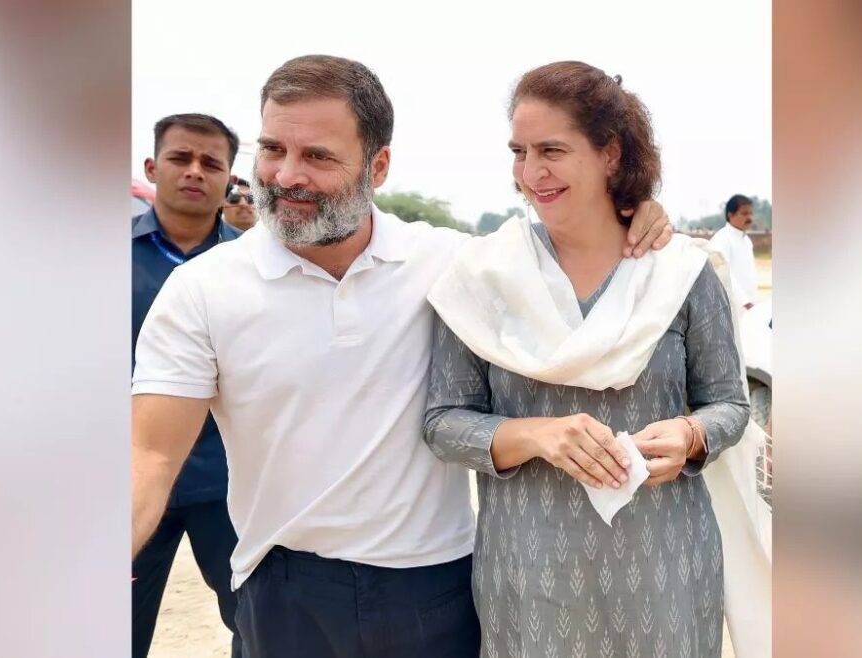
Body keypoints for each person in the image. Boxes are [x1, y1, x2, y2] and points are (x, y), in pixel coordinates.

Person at [130, 54, 673, 658]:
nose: (286, 175)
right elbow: (150, 453)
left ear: (379, 166)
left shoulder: (451, 264)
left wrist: (639, 211)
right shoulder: (202, 290)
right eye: (273, 149)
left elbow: (582, 244)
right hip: (282, 590)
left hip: (436, 587)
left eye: (318, 156)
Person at [424, 61, 766, 658]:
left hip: (667, 568)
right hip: (529, 575)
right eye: (519, 152)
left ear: (611, 153)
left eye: (552, 150)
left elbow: (730, 406)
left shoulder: (679, 274)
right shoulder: (484, 277)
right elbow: (443, 422)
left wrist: (690, 435)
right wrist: (536, 435)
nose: (531, 172)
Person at [132, 113, 243, 658]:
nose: (195, 171)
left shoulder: (254, 268)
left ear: (230, 179)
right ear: (153, 167)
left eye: (210, 163)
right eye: (180, 158)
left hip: (227, 483)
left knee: (258, 624)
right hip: (128, 479)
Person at [709, 194, 760, 310]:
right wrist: (745, 302)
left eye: (751, 213)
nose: (749, 217)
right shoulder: (722, 239)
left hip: (749, 307)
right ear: (730, 215)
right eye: (744, 213)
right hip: (732, 308)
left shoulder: (746, 240)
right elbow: (722, 274)